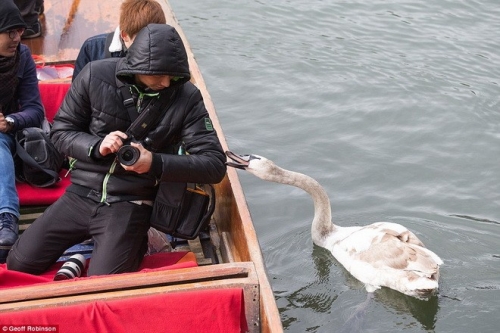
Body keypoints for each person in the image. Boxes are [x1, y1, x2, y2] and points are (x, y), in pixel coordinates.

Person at [7, 23, 227, 276]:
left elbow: (214, 165)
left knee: (103, 282)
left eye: (173, 76)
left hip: (132, 202)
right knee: (19, 265)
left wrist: (154, 162)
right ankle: (83, 257)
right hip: (80, 193)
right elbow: (60, 132)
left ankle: (140, 238)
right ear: (138, 68)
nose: (166, 83)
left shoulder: (187, 97)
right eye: (158, 75)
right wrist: (96, 146)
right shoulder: (93, 75)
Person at [0, 0, 44, 263]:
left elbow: (35, 110)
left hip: (8, 139)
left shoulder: (23, 57)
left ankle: (7, 219)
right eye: (9, 32)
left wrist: (11, 122)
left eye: (20, 31)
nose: (17, 38)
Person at [72, 0, 166, 80]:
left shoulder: (169, 49)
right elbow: (77, 94)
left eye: (155, 40)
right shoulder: (92, 48)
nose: (148, 46)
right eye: (141, 41)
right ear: (124, 35)